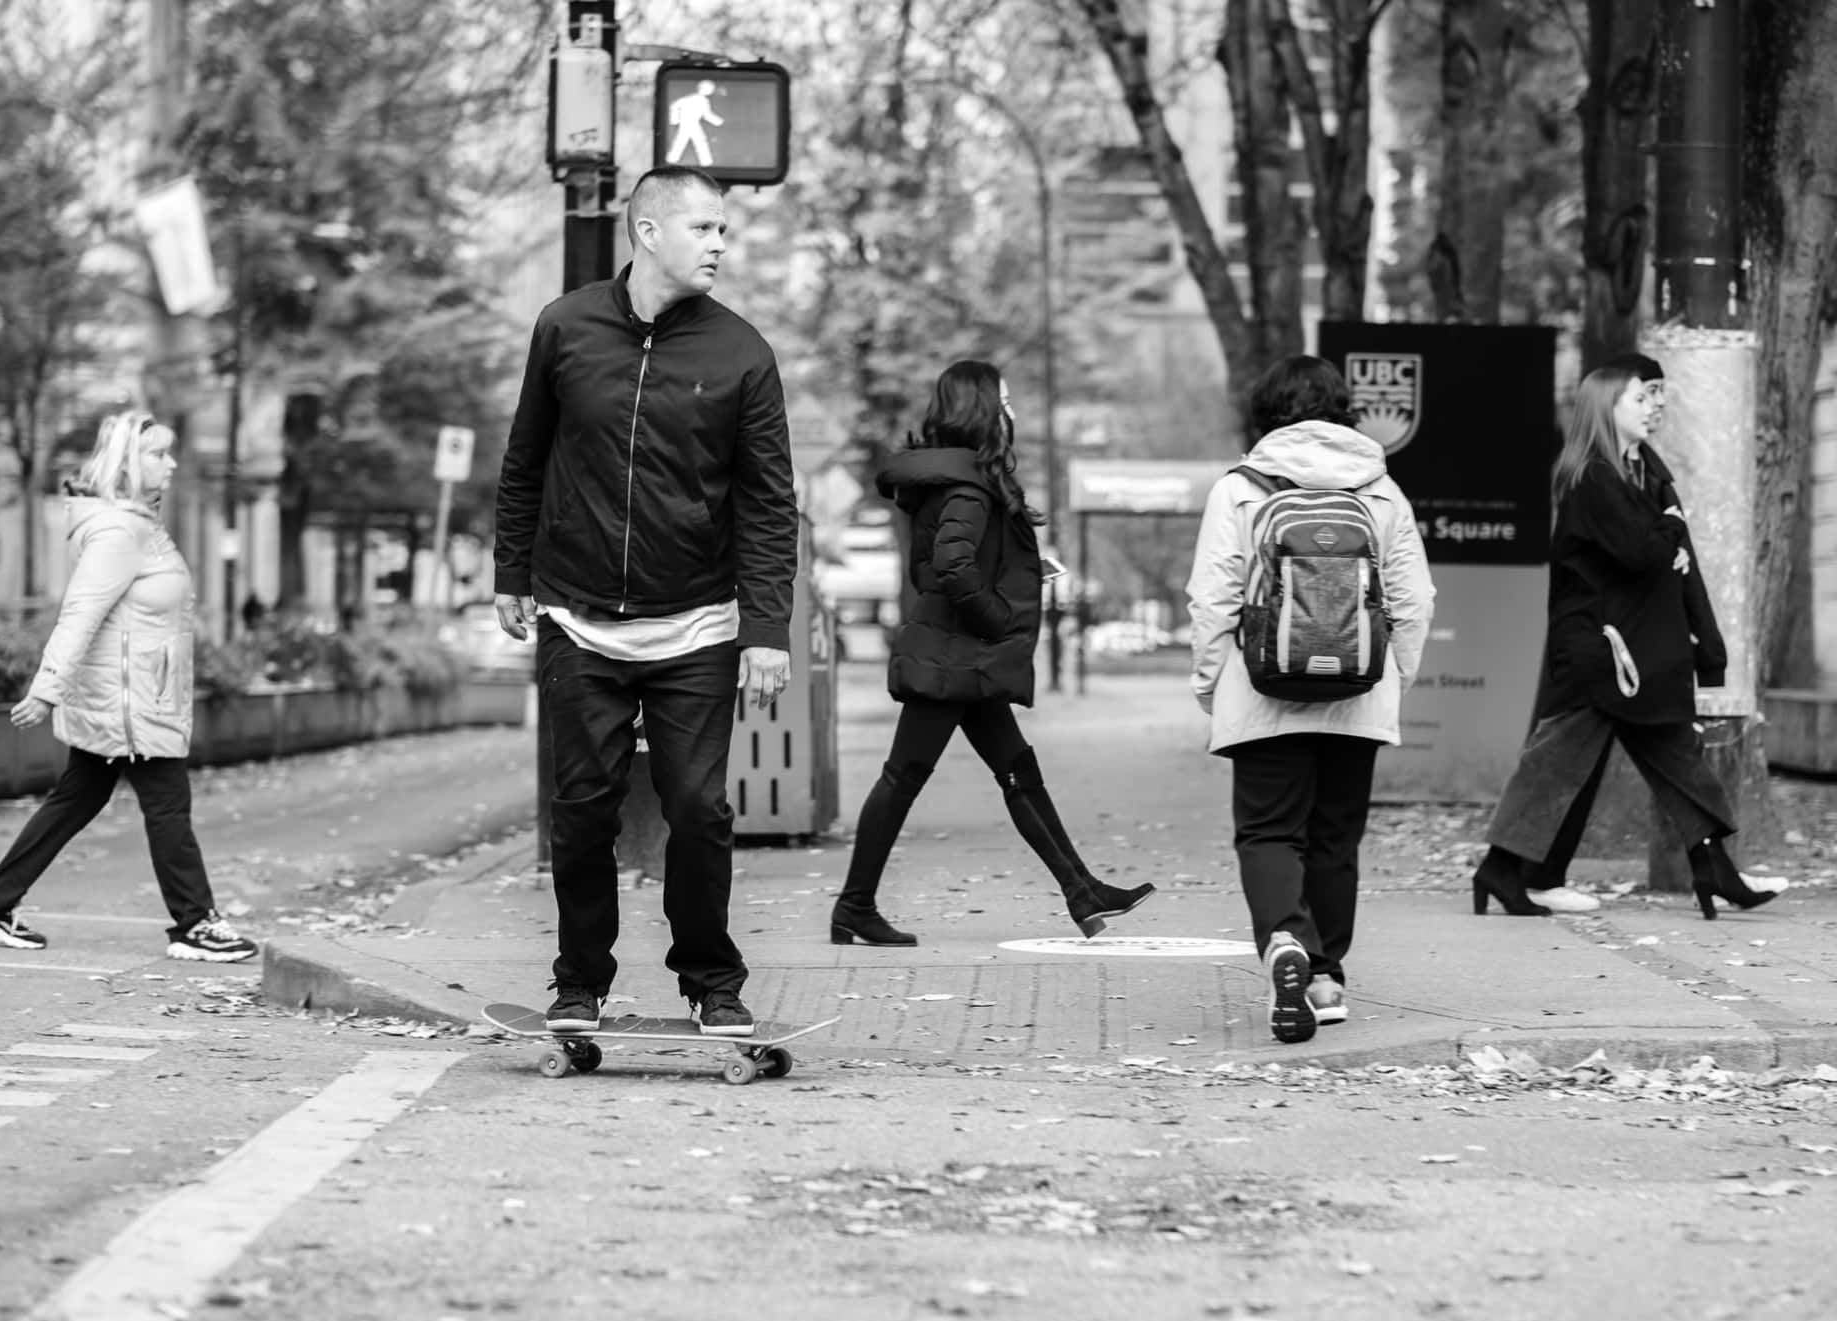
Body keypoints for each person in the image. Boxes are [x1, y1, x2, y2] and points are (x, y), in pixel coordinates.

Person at [493, 164, 798, 1037]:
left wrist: (765, 628)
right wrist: (513, 574)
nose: (719, 245)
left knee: (698, 810)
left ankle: (712, 979)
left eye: (724, 231)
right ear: (650, 232)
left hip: (696, 624)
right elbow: (525, 461)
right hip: (579, 619)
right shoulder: (565, 328)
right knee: (580, 811)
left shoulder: (742, 353)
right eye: (704, 228)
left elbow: (770, 503)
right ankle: (579, 980)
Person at [828, 360, 1155, 947]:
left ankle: (1081, 890)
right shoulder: (968, 487)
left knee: (1015, 771)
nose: (1014, 413)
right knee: (904, 776)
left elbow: (955, 560)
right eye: (1005, 401)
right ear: (983, 409)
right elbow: (954, 566)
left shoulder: (956, 480)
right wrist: (1000, 617)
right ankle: (854, 907)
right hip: (955, 654)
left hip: (960, 654)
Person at [1468, 357, 1786, 919]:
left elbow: (1664, 560)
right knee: (1559, 765)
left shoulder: (1648, 473)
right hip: (1601, 654)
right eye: (1644, 396)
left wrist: (1702, 643)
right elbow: (1643, 553)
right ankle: (1503, 869)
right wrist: (1671, 530)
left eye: (1660, 395)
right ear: (1606, 405)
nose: (1657, 405)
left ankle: (1714, 869)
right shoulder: (1592, 476)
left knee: (1677, 760)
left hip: (1644, 653)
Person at [1186, 356, 1435, 1044]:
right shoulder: (1382, 489)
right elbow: (1414, 602)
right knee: (1334, 836)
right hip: (1358, 694)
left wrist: (1213, 683)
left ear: (1266, 415)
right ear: (1343, 411)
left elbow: (1213, 598)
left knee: (1269, 831)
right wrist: (1390, 680)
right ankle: (1324, 976)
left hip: (1260, 691)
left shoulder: (1239, 488)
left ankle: (1285, 944)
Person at [0, 411, 258, 963]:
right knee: (168, 805)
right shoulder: (119, 531)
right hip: (130, 703)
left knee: (76, 799)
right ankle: (195, 922)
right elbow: (81, 611)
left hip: (137, 693)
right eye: (157, 454)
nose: (170, 463)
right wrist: (48, 686)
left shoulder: (137, 524)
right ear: (126, 462)